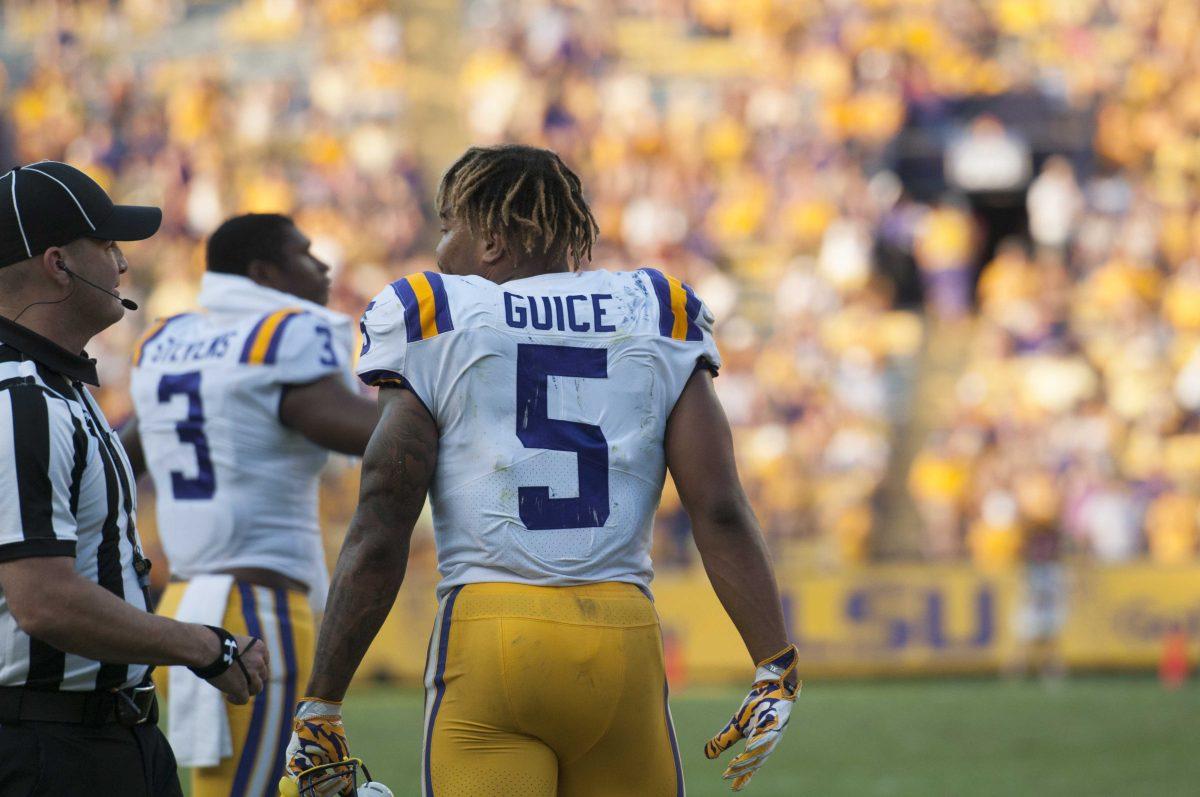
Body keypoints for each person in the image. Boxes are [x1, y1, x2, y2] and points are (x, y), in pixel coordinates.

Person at [280, 145, 799, 796]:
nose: (442, 249)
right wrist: (772, 659)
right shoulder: (657, 307)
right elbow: (718, 504)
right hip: (624, 638)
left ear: (492, 241)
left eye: (450, 228)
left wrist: (322, 701)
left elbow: (383, 512)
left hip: (494, 634)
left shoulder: (433, 311)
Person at [0, 161, 268, 796]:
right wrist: (203, 646)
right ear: (58, 263)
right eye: (108, 245)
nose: (122, 265)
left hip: (107, 734)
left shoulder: (58, 387)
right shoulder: (20, 398)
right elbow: (44, 600)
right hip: (49, 747)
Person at [121, 213, 379, 797]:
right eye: (305, 254)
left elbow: (122, 454)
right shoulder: (282, 335)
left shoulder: (171, 338)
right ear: (265, 272)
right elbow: (361, 430)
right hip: (256, 608)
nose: (323, 266)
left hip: (189, 599)